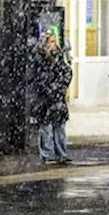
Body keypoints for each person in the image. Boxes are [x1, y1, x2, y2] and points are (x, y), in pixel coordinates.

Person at [32, 32, 74, 164]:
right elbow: (37, 78)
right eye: (50, 42)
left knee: (59, 127)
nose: (52, 45)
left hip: (56, 99)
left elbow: (67, 73)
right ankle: (48, 154)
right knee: (46, 128)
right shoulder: (39, 59)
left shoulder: (59, 58)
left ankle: (60, 153)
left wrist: (58, 88)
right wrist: (48, 89)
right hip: (46, 99)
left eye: (54, 42)